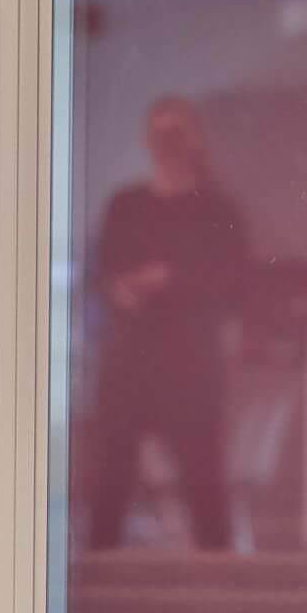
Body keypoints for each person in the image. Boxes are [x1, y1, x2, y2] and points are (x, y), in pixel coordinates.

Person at [83, 95, 249, 551]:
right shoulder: (126, 206)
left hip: (191, 363)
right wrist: (123, 289)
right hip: (129, 360)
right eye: (159, 134)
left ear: (194, 139)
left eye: (176, 134)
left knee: (202, 480)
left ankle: (219, 586)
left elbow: (236, 283)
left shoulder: (217, 210)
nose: (167, 144)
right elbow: (102, 274)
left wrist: (172, 282)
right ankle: (100, 582)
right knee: (111, 478)